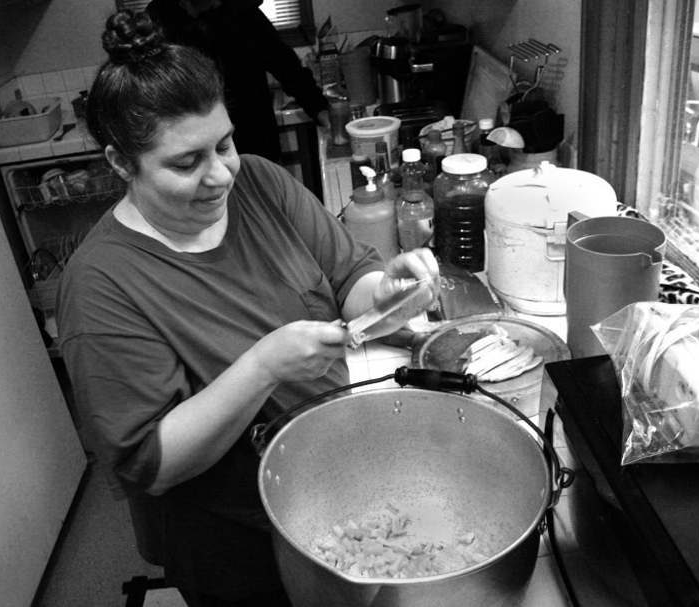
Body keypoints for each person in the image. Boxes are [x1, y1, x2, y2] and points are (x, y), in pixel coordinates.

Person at [57, 10, 438, 607]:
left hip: (333, 479)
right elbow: (152, 461)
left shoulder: (262, 183)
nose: (220, 176)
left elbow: (348, 279)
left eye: (225, 144)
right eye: (186, 163)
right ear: (120, 164)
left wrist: (386, 292)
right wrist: (264, 366)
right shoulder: (102, 285)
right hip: (232, 533)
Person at [146, 0, 330, 162]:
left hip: (256, 144)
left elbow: (285, 65)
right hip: (195, 153)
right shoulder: (157, 19)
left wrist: (320, 108)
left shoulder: (242, 11)